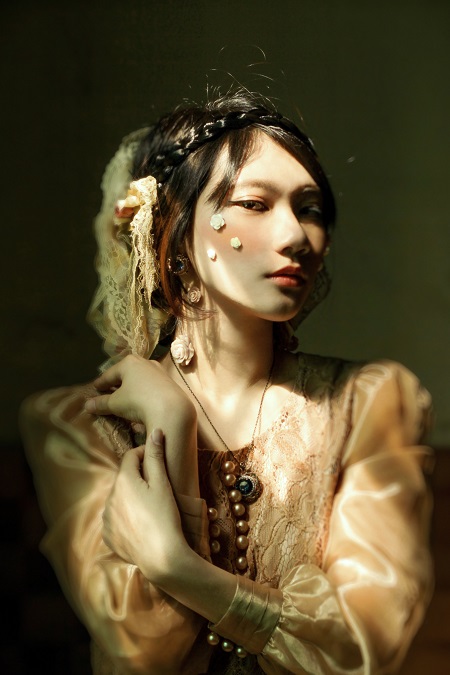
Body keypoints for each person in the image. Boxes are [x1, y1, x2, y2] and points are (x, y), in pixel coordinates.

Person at [21, 91, 434, 675]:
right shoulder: (78, 423)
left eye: (310, 208)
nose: (295, 235)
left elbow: (362, 648)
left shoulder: (367, 402)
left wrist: (177, 567)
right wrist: (172, 426)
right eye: (254, 204)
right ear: (174, 230)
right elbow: (142, 652)